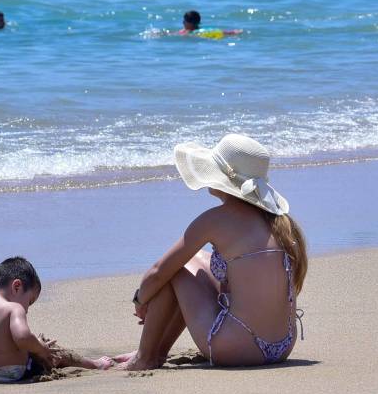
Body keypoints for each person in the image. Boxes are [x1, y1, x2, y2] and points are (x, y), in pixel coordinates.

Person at [116, 133, 307, 370]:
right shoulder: (279, 221)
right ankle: (156, 352)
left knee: (176, 269)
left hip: (238, 348)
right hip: (283, 345)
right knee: (195, 259)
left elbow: (158, 272)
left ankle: (145, 357)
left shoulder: (215, 220)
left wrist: (141, 300)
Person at [0, 257, 113, 384]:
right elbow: (22, 337)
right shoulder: (13, 308)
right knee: (53, 350)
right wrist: (41, 348)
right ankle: (94, 364)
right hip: (16, 374)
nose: (27, 309)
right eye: (29, 301)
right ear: (17, 286)